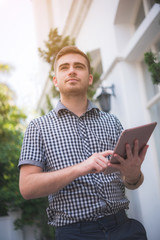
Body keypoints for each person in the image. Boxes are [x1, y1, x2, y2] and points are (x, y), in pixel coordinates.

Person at [19, 46, 148, 240]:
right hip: (75, 234)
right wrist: (81, 168)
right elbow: (27, 187)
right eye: (64, 67)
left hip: (124, 228)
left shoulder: (112, 122)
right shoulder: (38, 127)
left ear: (89, 78)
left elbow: (132, 183)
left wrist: (132, 174)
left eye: (78, 66)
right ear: (55, 81)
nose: (71, 70)